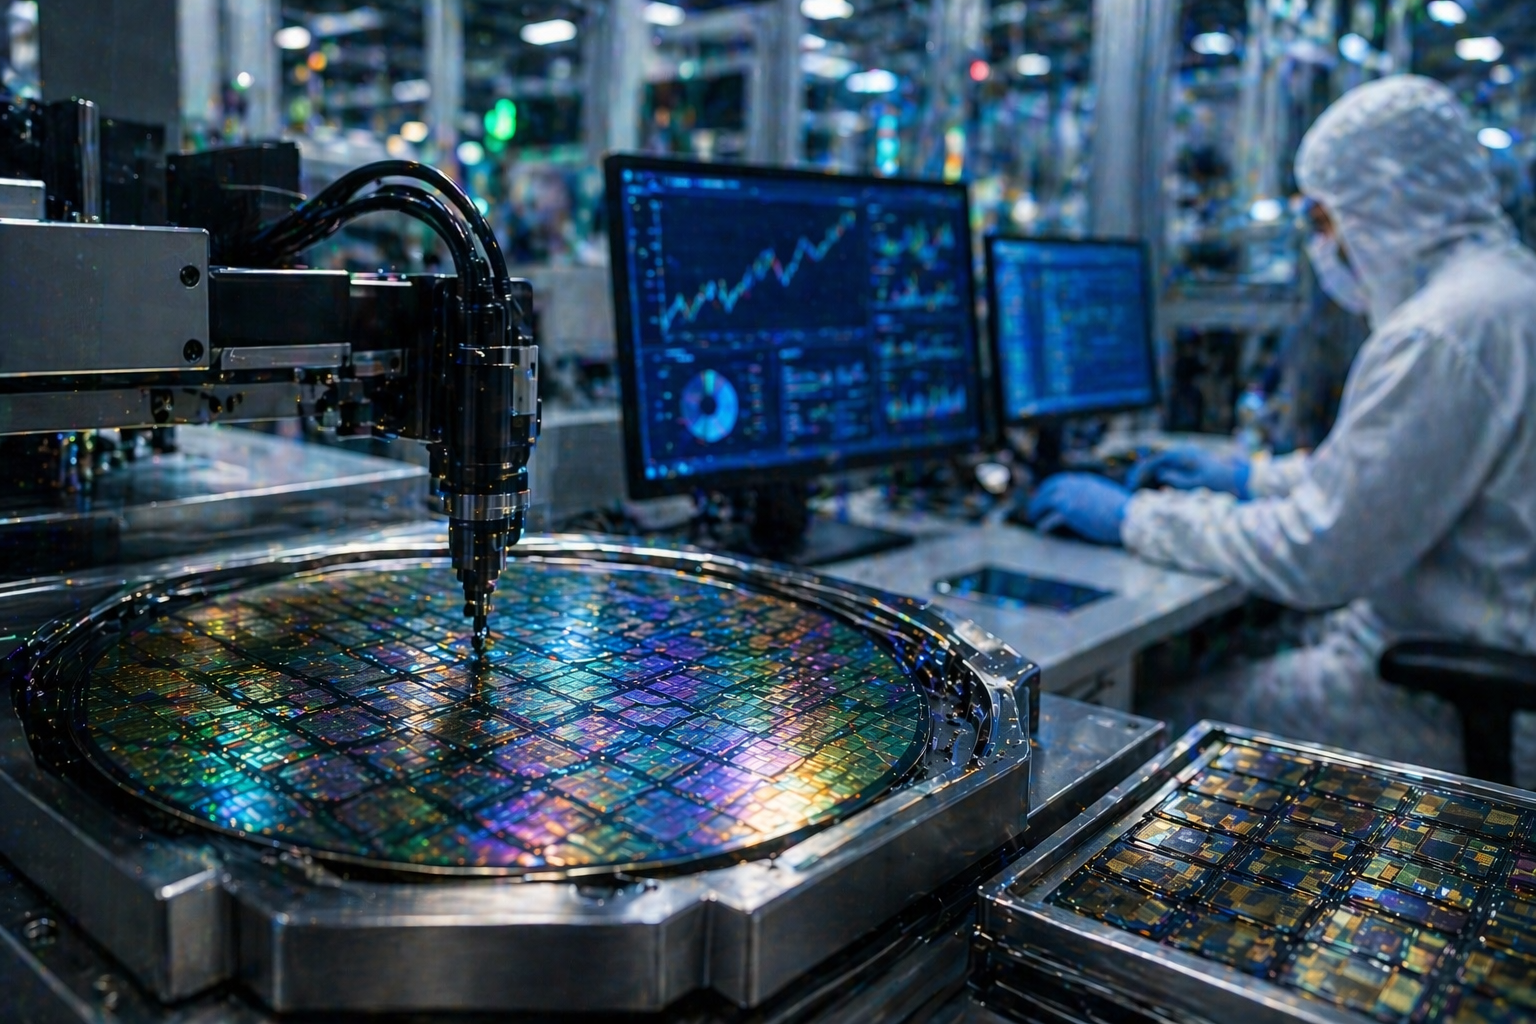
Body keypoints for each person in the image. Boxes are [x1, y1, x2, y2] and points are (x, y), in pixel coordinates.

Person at [1025, 75, 1536, 775]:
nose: (1324, 249)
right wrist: (1250, 478)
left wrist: (1135, 518)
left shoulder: (1444, 332)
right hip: (1458, 653)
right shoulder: (1502, 294)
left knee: (1136, 724)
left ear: (1382, 205)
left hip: (1437, 705)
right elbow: (1388, 475)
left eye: (1324, 223)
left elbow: (1315, 555)